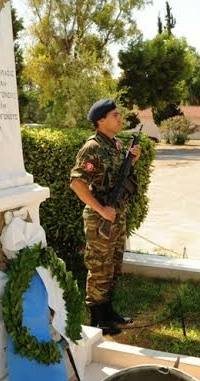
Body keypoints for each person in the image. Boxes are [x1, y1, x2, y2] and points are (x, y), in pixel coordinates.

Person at [70, 98, 141, 335]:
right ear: (101, 120)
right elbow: (77, 183)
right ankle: (97, 318)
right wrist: (101, 210)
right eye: (115, 115)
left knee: (112, 265)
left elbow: (118, 178)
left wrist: (133, 160)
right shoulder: (92, 148)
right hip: (100, 218)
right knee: (99, 266)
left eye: (119, 115)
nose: (120, 119)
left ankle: (109, 311)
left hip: (116, 216)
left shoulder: (115, 145)